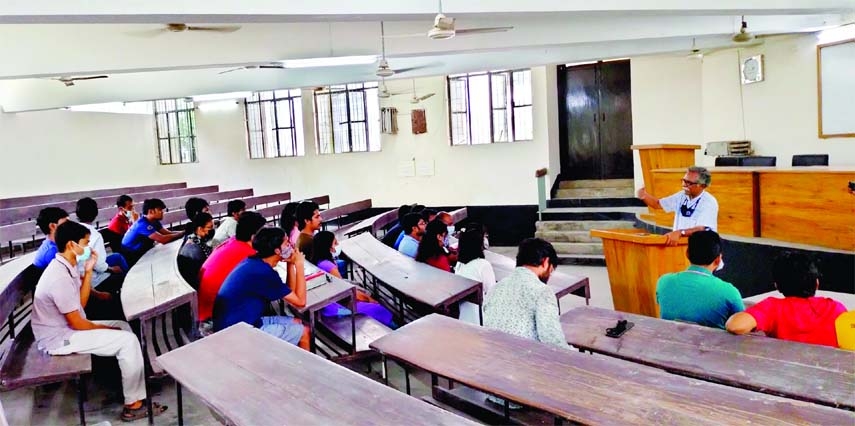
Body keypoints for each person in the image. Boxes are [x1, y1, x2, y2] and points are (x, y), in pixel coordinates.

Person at [31, 221, 167, 422]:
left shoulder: (67, 264)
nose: (88, 248)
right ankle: (133, 405)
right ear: (71, 244)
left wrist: (88, 271)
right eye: (85, 243)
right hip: (58, 338)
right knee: (126, 340)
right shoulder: (58, 277)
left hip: (68, 327)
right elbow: (78, 323)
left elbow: (81, 303)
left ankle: (134, 385)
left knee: (123, 326)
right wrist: (106, 330)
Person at [212, 227, 310, 349]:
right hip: (238, 332)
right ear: (277, 250)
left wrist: (290, 263)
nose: (290, 245)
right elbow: (300, 302)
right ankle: (305, 367)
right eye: (286, 243)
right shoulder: (264, 272)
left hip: (242, 321)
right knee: (304, 332)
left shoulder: (255, 262)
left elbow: (289, 293)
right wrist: (299, 265)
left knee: (297, 322)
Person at [726, 252, 847, 348]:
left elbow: (736, 325)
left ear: (777, 286)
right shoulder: (836, 308)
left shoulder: (773, 308)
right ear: (817, 283)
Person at [655, 230, 743, 329]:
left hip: (667, 341)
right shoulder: (729, 291)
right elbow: (741, 324)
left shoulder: (664, 282)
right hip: (711, 344)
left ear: (687, 254)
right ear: (718, 260)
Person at [310, 231, 395, 328]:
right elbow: (344, 291)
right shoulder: (329, 266)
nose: (337, 245)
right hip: (335, 308)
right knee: (378, 308)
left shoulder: (319, 261)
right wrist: (368, 299)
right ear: (328, 247)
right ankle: (395, 329)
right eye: (335, 243)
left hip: (333, 303)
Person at [197, 211, 267, 322]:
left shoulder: (232, 241)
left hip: (207, 305)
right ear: (254, 236)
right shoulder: (248, 253)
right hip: (215, 314)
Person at [636, 166, 718, 246]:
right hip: (681, 245)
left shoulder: (709, 202)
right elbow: (657, 204)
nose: (684, 185)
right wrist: (643, 195)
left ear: (702, 185)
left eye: (689, 183)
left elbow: (701, 228)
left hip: (703, 248)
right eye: (684, 181)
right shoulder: (681, 196)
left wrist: (680, 233)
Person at [74, 197, 128, 293]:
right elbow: (99, 265)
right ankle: (128, 283)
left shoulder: (72, 229)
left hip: (79, 270)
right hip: (92, 279)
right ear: (95, 214)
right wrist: (111, 269)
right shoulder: (95, 235)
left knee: (117, 257)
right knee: (122, 275)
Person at [454, 223, 497, 324]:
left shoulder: (459, 264)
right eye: (484, 236)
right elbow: (492, 293)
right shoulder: (483, 265)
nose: (486, 239)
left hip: (464, 314)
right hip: (480, 317)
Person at [121, 198, 183, 265]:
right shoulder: (143, 224)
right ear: (151, 211)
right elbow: (163, 239)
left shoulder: (154, 220)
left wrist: (184, 232)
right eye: (160, 210)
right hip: (132, 256)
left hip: (143, 250)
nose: (162, 212)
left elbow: (167, 233)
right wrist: (182, 233)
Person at [177, 212, 214, 289]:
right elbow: (205, 271)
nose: (212, 230)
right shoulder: (194, 249)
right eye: (209, 228)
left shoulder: (196, 239)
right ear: (200, 229)